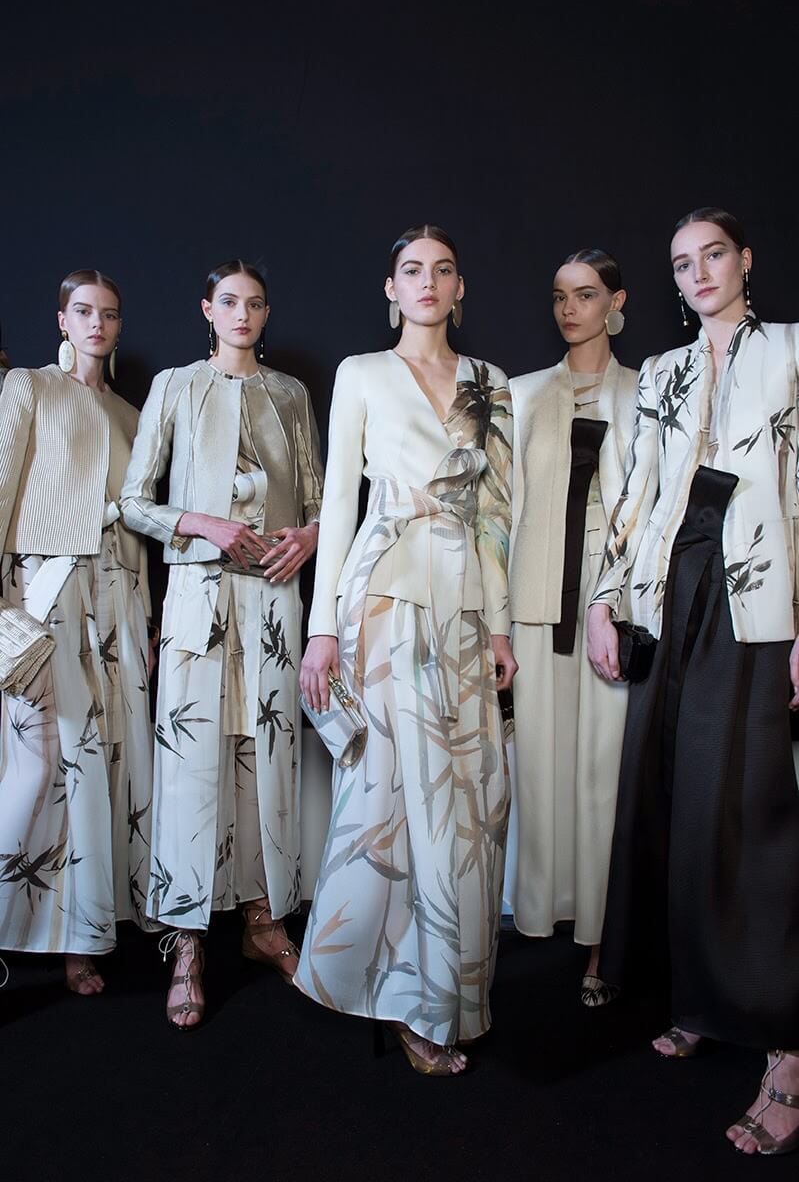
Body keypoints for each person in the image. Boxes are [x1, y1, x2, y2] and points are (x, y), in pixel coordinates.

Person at [587, 208, 799, 1155]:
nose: (699, 272)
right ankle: (703, 999)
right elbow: (633, 489)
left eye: (713, 254)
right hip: (669, 591)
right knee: (674, 800)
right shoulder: (661, 372)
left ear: (744, 260)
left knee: (749, 813)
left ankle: (786, 1049)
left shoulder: (790, 350)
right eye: (681, 263)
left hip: (756, 596)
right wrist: (603, 598)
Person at [297, 224, 516, 1075]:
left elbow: (495, 517)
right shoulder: (360, 372)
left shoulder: (491, 383)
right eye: (411, 270)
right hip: (382, 597)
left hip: (463, 604)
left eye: (443, 270)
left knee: (465, 804)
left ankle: (444, 990)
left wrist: (499, 624)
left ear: (460, 288)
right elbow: (338, 505)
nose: (428, 282)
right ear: (390, 289)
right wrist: (322, 630)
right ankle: (402, 1000)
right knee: (390, 798)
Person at [121, 260, 323, 1029]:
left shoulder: (291, 394)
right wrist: (198, 522)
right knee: (190, 764)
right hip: (197, 598)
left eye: (255, 303)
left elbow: (318, 499)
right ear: (207, 308)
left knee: (267, 758)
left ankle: (264, 920)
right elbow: (131, 502)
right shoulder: (175, 386)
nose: (242, 314)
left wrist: (309, 536)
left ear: (266, 314)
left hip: (272, 598)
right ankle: (186, 939)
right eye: (229, 302)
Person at [0, 269, 155, 994]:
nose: (97, 324)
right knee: (37, 767)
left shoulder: (130, 414)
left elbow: (141, 522)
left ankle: (81, 936)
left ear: (119, 326)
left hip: (118, 598)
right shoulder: (28, 387)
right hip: (46, 593)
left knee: (101, 769)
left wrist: (146, 617)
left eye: (109, 314)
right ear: (62, 320)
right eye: (84, 311)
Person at [505, 250, 638, 1004]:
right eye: (559, 296)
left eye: (585, 295)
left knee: (602, 772)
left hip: (614, 604)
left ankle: (598, 938)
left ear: (616, 302)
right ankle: (541, 914)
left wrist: (615, 601)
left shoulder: (647, 390)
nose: (569, 309)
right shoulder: (521, 393)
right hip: (532, 601)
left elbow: (651, 507)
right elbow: (502, 514)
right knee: (539, 767)